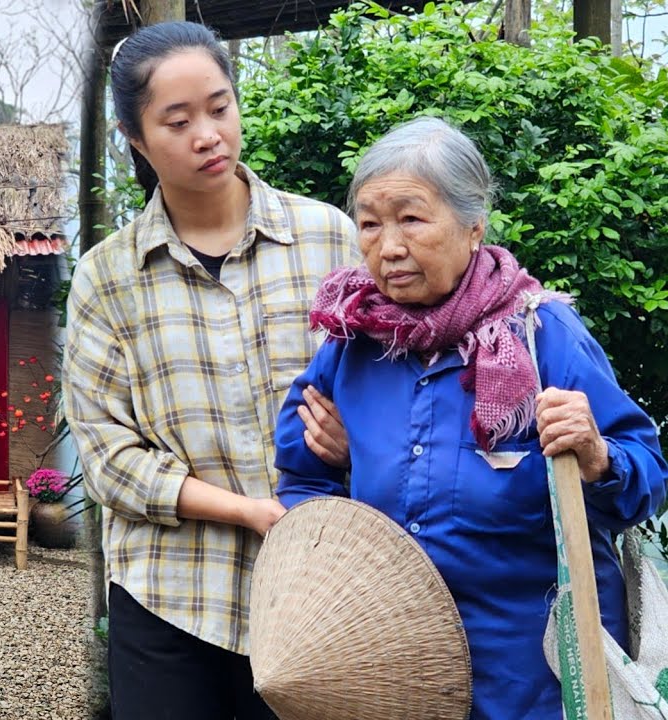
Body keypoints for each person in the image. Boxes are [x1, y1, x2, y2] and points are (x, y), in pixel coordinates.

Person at [275, 116, 668, 720]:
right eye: (370, 223)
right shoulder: (350, 345)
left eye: (411, 218)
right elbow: (303, 482)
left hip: (532, 683)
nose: (389, 246)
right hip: (389, 677)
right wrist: (342, 524)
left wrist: (598, 457)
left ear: (473, 226)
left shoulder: (544, 337)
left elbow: (649, 478)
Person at [62, 21, 359, 720]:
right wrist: (245, 511)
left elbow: (391, 388)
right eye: (178, 120)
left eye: (220, 107)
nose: (208, 134)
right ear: (136, 139)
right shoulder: (107, 278)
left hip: (314, 589)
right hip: (172, 597)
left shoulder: (329, 239)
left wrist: (357, 441)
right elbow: (108, 460)